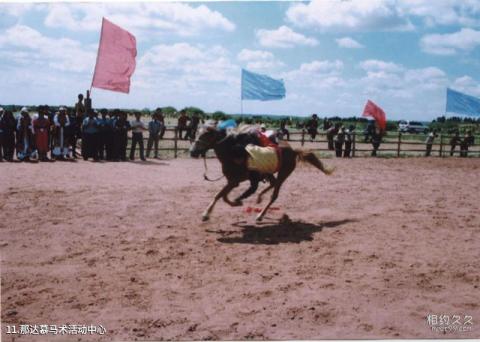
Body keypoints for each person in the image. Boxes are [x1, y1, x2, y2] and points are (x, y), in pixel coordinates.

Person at [73, 94, 85, 158]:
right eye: (81, 97)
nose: (81, 98)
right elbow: (82, 111)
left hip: (80, 119)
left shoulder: (77, 104)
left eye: (82, 97)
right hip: (79, 119)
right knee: (77, 137)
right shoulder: (79, 104)